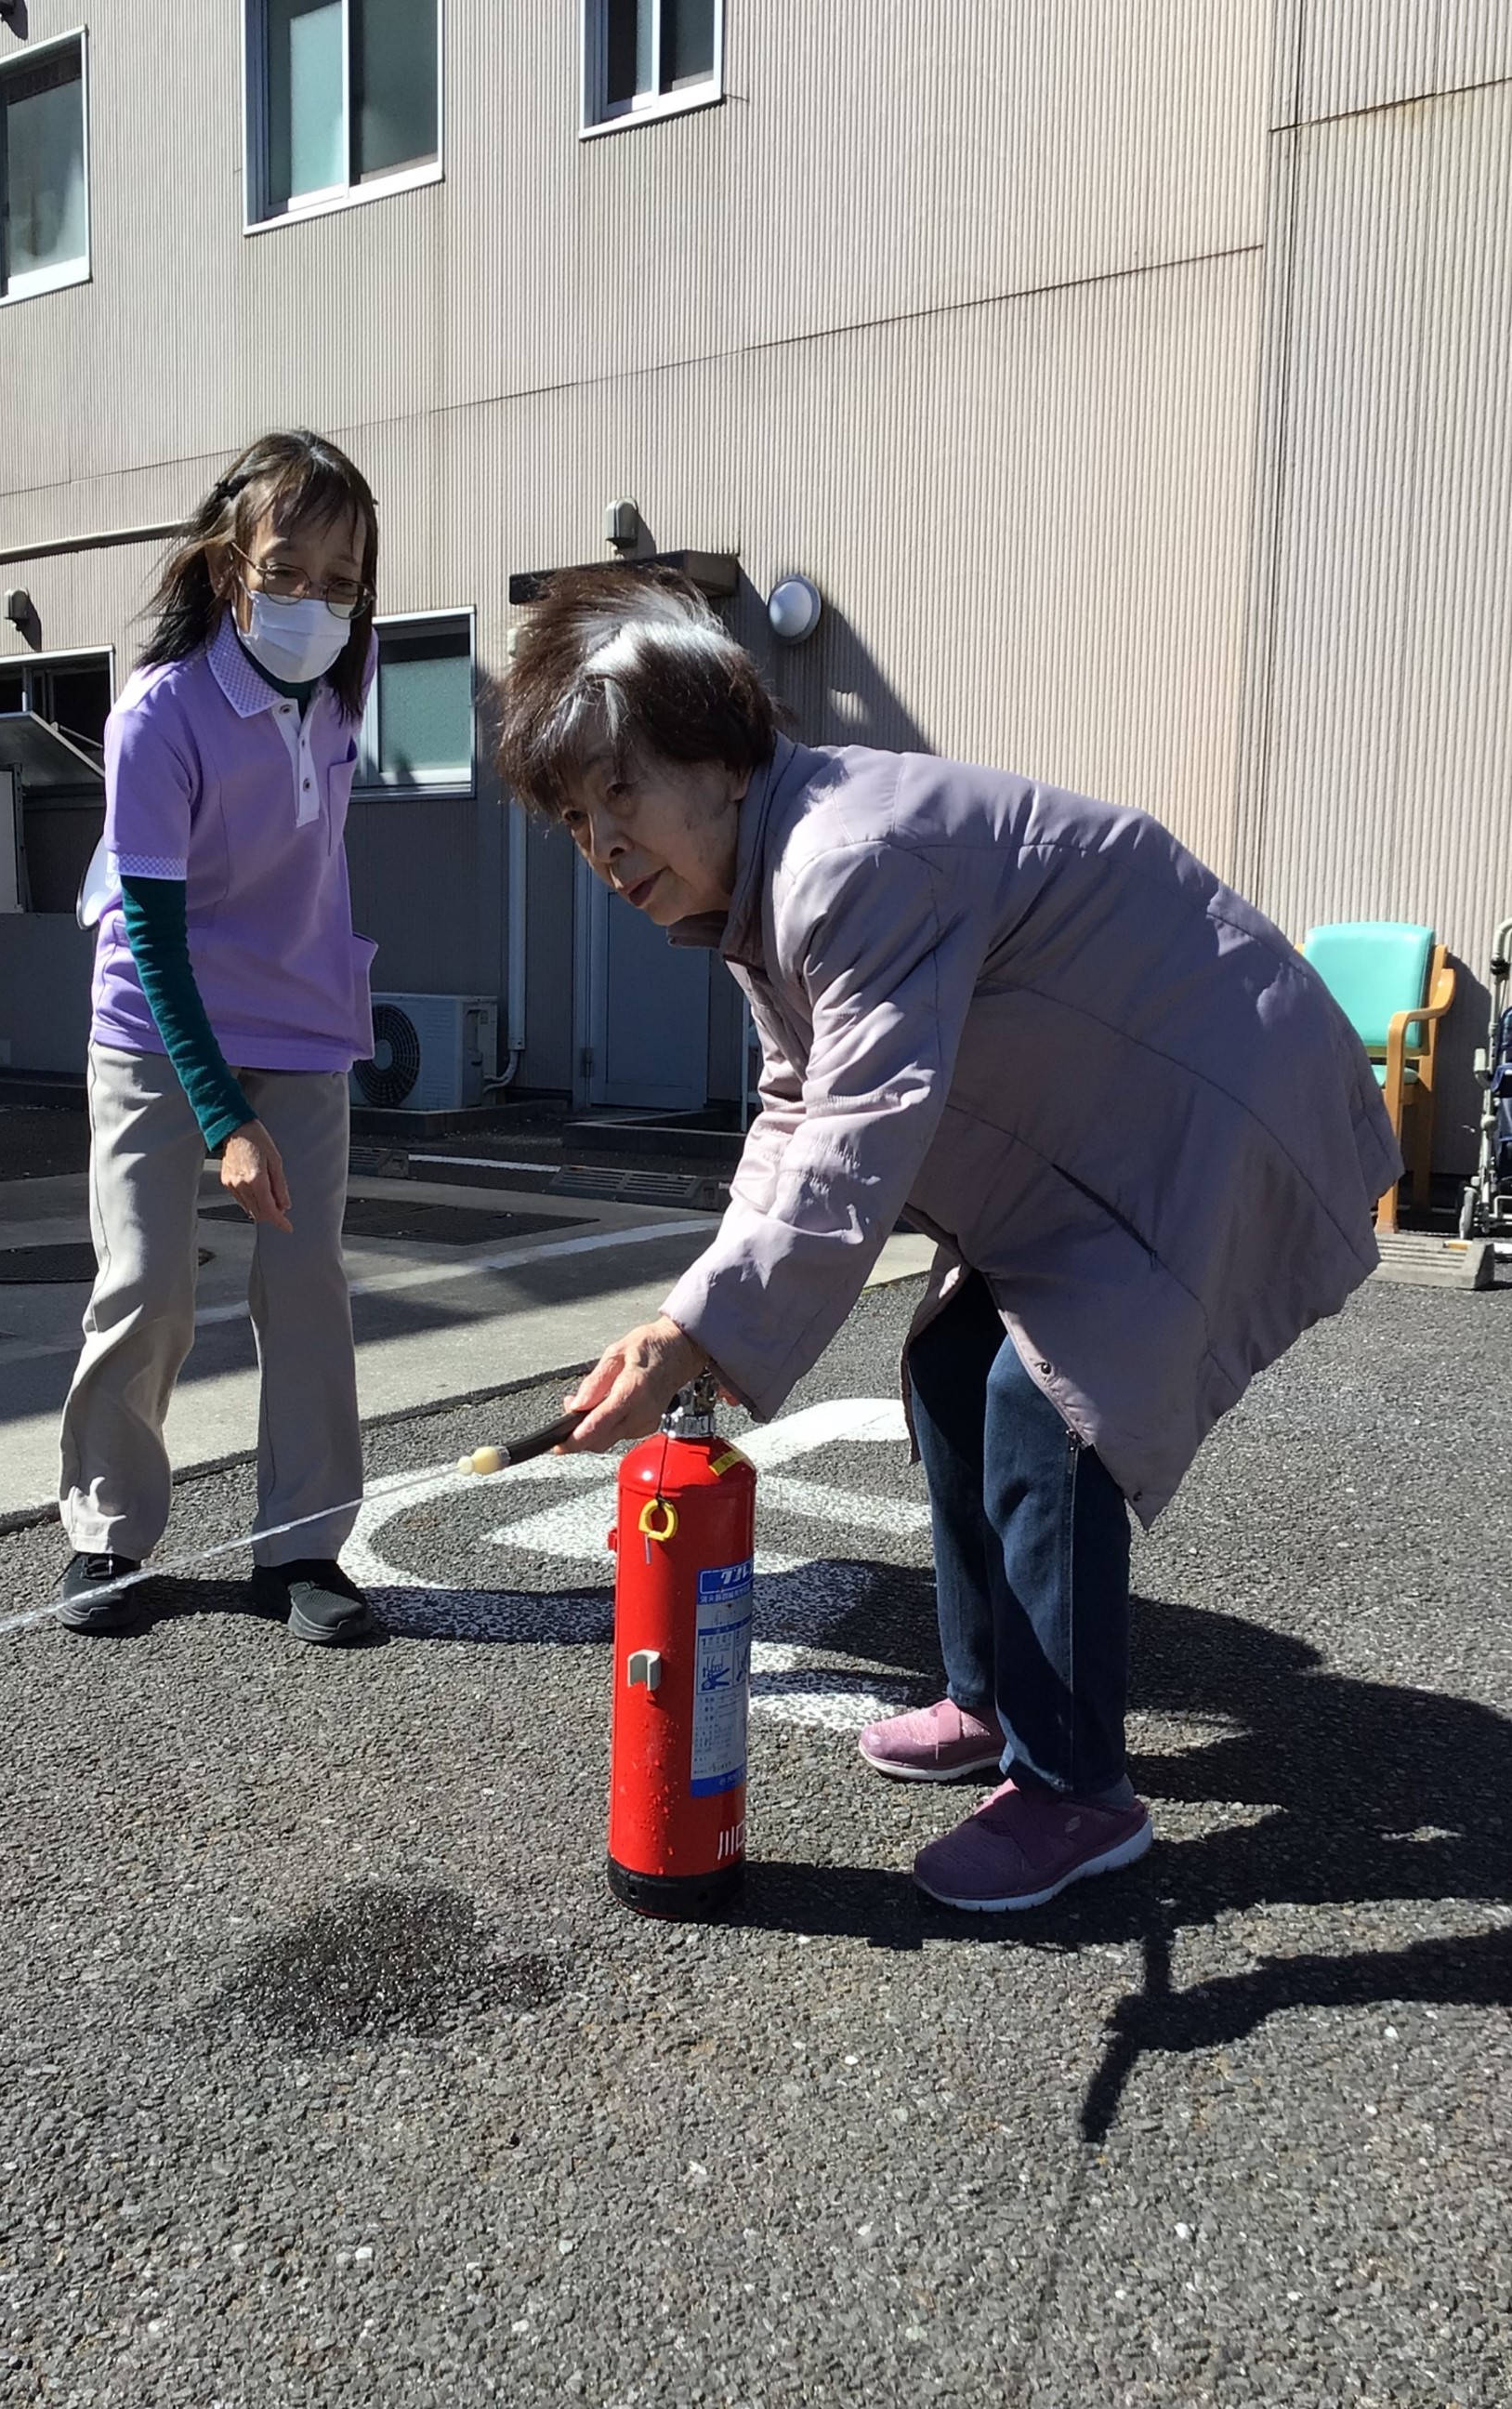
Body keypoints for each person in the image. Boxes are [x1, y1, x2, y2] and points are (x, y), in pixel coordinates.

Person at [497, 567, 1400, 1912]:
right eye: (574, 817)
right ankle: (987, 1700)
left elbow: (859, 1130)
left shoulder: (846, 858)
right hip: (1096, 1126)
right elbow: (799, 1104)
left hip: (1205, 1101)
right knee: (945, 1370)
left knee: (1048, 1405)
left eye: (620, 790)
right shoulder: (769, 877)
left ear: (721, 754)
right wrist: (689, 1314)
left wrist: (706, 1328)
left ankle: (1074, 1791)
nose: (603, 844)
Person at [57, 429, 384, 1647]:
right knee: (147, 1278)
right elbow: (151, 931)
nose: (315, 601)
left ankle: (301, 1548)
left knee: (305, 1287)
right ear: (226, 571)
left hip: (300, 1018)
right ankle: (106, 1529)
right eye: (287, 570)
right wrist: (223, 1118)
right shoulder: (161, 715)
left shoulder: (345, 693)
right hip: (156, 1020)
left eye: (342, 581)